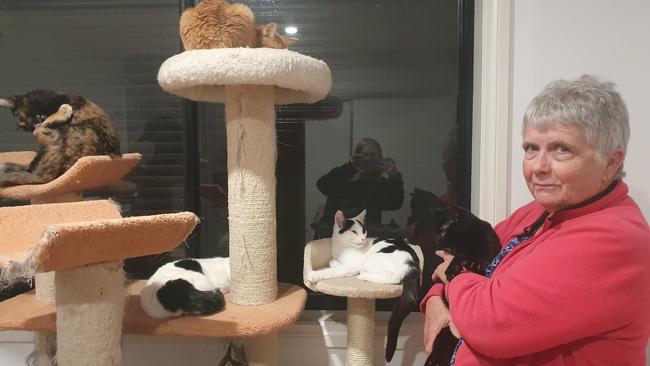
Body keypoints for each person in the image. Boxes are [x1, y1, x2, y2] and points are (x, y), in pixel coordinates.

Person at [421, 75, 650, 365]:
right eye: (531, 148)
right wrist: (436, 299)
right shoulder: (539, 211)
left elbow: (489, 323)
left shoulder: (616, 238)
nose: (538, 167)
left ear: (611, 162)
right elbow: (463, 255)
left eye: (561, 149)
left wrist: (452, 275)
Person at [312, 137, 404, 239]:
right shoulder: (346, 179)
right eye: (364, 155)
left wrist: (394, 176)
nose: (368, 159)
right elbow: (322, 185)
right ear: (357, 157)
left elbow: (395, 203)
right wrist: (350, 167)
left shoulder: (379, 185)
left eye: (373, 156)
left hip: (363, 240)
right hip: (335, 238)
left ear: (379, 160)